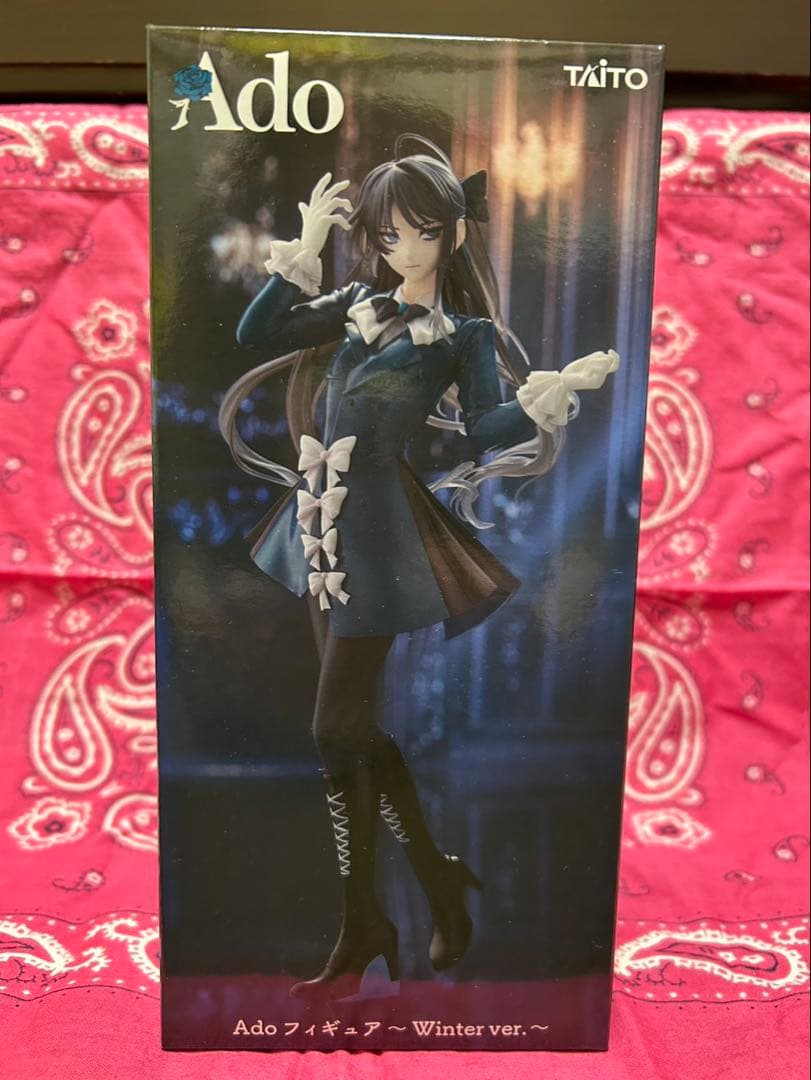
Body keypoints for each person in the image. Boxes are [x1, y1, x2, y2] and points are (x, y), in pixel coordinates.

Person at [219, 135, 618, 1001]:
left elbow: (484, 429)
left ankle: (366, 920)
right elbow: (257, 332)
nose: (402, 248)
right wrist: (304, 251)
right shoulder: (356, 302)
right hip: (318, 526)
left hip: (379, 538)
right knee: (352, 729)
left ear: (453, 233)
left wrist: (542, 399)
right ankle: (432, 880)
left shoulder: (463, 336)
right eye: (387, 234)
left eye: (421, 232)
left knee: (333, 730)